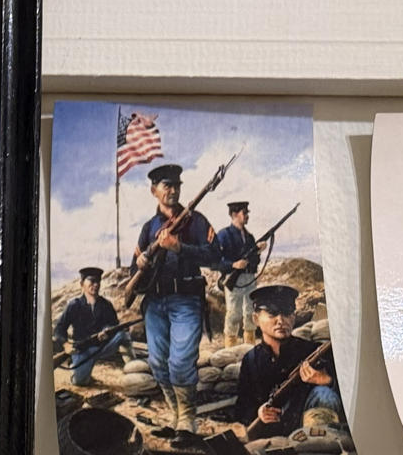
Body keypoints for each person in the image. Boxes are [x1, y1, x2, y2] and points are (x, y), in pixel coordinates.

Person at [132, 163, 221, 430]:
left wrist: (180, 247)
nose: (172, 190)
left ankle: (188, 418)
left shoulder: (196, 221)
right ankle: (175, 412)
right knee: (158, 362)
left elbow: (215, 256)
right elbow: (133, 270)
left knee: (181, 361)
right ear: (154, 191)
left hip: (186, 299)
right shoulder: (149, 228)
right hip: (155, 303)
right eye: (166, 185)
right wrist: (141, 265)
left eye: (176, 185)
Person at [231, 284, 342, 437]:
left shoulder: (314, 351)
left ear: (294, 317)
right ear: (255, 319)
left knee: (324, 394)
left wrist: (328, 381)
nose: (281, 321)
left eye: (287, 313)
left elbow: (349, 392)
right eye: (272, 314)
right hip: (271, 432)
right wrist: (259, 412)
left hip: (306, 428)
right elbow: (242, 407)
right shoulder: (250, 360)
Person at [53, 267, 130, 388]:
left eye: (98, 282)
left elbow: (114, 324)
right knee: (80, 382)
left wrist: (106, 330)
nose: (96, 285)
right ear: (82, 284)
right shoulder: (74, 305)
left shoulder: (106, 304)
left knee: (123, 335)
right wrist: (65, 344)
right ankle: (77, 367)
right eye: (92, 281)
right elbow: (58, 330)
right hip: (83, 350)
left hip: (102, 346)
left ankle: (132, 370)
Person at [214, 201, 261, 346]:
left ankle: (250, 346)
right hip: (233, 279)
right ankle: (230, 348)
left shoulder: (250, 237)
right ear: (234, 214)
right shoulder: (223, 235)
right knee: (234, 314)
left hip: (249, 278)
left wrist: (257, 251)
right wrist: (233, 264)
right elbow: (215, 260)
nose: (247, 216)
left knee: (250, 313)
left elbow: (256, 261)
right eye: (244, 213)